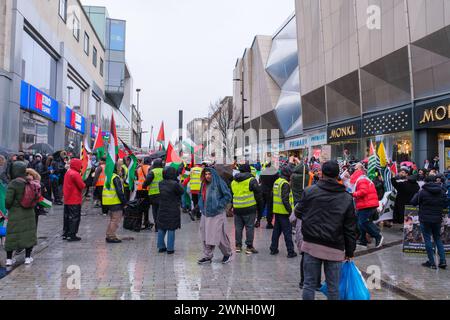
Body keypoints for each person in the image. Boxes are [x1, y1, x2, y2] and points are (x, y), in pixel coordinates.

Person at [295, 161, 357, 301]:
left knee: (309, 284)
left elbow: (298, 213)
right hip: (334, 247)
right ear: (338, 175)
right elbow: (350, 228)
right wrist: (350, 251)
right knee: (333, 287)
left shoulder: (310, 191)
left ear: (322, 173)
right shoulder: (347, 198)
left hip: (311, 244)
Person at [197, 167, 233, 265]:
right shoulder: (203, 184)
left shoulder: (219, 183)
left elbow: (227, 196)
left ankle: (227, 253)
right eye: (206, 174)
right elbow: (200, 195)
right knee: (205, 235)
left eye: (209, 174)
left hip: (217, 214)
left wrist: (219, 205)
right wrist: (200, 205)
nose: (207, 176)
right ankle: (207, 256)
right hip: (205, 213)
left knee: (218, 235)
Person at [4, 161, 38, 266]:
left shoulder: (13, 183)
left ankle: (9, 259)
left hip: (15, 213)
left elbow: (8, 201)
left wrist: (9, 207)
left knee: (12, 236)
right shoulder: (29, 182)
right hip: (29, 212)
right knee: (28, 235)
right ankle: (28, 258)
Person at [411, 175, 447, 269]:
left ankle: (431, 262)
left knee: (427, 240)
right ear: (435, 181)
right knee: (437, 239)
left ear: (425, 182)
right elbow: (445, 204)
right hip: (437, 219)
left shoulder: (422, 192)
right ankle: (443, 261)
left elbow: (413, 202)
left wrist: (417, 194)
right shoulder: (441, 191)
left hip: (425, 220)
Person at [231, 163, 263, 254]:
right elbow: (258, 195)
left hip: (237, 208)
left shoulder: (234, 181)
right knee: (249, 227)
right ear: (249, 170)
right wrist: (260, 208)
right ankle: (249, 247)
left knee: (238, 228)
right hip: (249, 208)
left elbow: (232, 194)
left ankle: (238, 246)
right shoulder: (251, 180)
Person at [351, 164, 384, 249]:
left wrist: (352, 194)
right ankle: (363, 241)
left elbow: (363, 191)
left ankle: (378, 235)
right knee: (361, 223)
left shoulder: (361, 179)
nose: (353, 170)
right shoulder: (363, 178)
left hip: (367, 204)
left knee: (363, 223)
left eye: (355, 168)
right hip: (366, 204)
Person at [270, 166, 297, 258]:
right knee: (287, 232)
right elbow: (285, 200)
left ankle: (273, 249)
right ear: (288, 174)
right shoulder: (285, 184)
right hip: (284, 212)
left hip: (277, 211)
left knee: (276, 232)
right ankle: (290, 251)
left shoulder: (277, 182)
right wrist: (290, 212)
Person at [157, 166, 184, 254]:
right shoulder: (175, 184)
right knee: (171, 228)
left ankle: (161, 247)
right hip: (172, 208)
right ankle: (170, 248)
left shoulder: (160, 183)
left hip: (162, 207)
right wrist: (178, 181)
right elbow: (181, 191)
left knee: (162, 227)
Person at [102, 162, 127, 243]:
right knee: (115, 220)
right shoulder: (115, 177)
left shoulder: (109, 176)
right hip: (115, 201)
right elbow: (119, 192)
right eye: (119, 167)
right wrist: (124, 202)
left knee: (112, 219)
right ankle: (111, 236)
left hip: (108, 201)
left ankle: (109, 234)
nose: (121, 169)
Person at [63, 158, 86, 242]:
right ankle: (72, 234)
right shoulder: (75, 174)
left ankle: (66, 233)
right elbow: (82, 185)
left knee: (67, 217)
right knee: (74, 217)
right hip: (74, 199)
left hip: (67, 199)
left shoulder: (68, 172)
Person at [143, 158, 164, 232]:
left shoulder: (152, 172)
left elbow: (146, 182)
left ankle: (157, 226)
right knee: (161, 209)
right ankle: (161, 225)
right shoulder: (164, 171)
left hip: (153, 194)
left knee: (155, 210)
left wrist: (144, 186)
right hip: (163, 194)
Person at [259, 162, 279, 229]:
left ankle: (258, 220)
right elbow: (277, 182)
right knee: (270, 208)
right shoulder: (275, 173)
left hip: (262, 191)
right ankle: (269, 223)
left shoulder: (262, 172)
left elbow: (260, 181)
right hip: (270, 192)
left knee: (261, 206)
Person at [136, 157, 151, 229]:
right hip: (147, 189)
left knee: (139, 207)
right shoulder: (150, 168)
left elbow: (137, 177)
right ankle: (146, 222)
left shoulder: (139, 168)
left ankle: (138, 223)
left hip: (139, 189)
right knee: (146, 207)